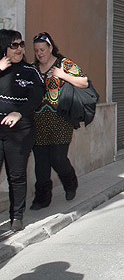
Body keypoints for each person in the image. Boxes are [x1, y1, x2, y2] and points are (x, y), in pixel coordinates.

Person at [29, 32, 88, 210]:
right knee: (41, 162)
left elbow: (84, 82)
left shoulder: (63, 64)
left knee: (57, 158)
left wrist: (63, 75)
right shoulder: (32, 68)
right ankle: (42, 197)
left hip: (60, 119)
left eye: (42, 49)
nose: (40, 53)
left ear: (50, 48)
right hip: (38, 120)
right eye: (37, 50)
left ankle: (70, 182)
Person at [0, 30, 45, 231]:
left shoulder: (30, 71)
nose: (19, 49)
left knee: (16, 175)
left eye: (21, 44)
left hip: (20, 131)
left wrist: (19, 114)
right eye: (14, 45)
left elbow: (36, 98)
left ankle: (16, 216)